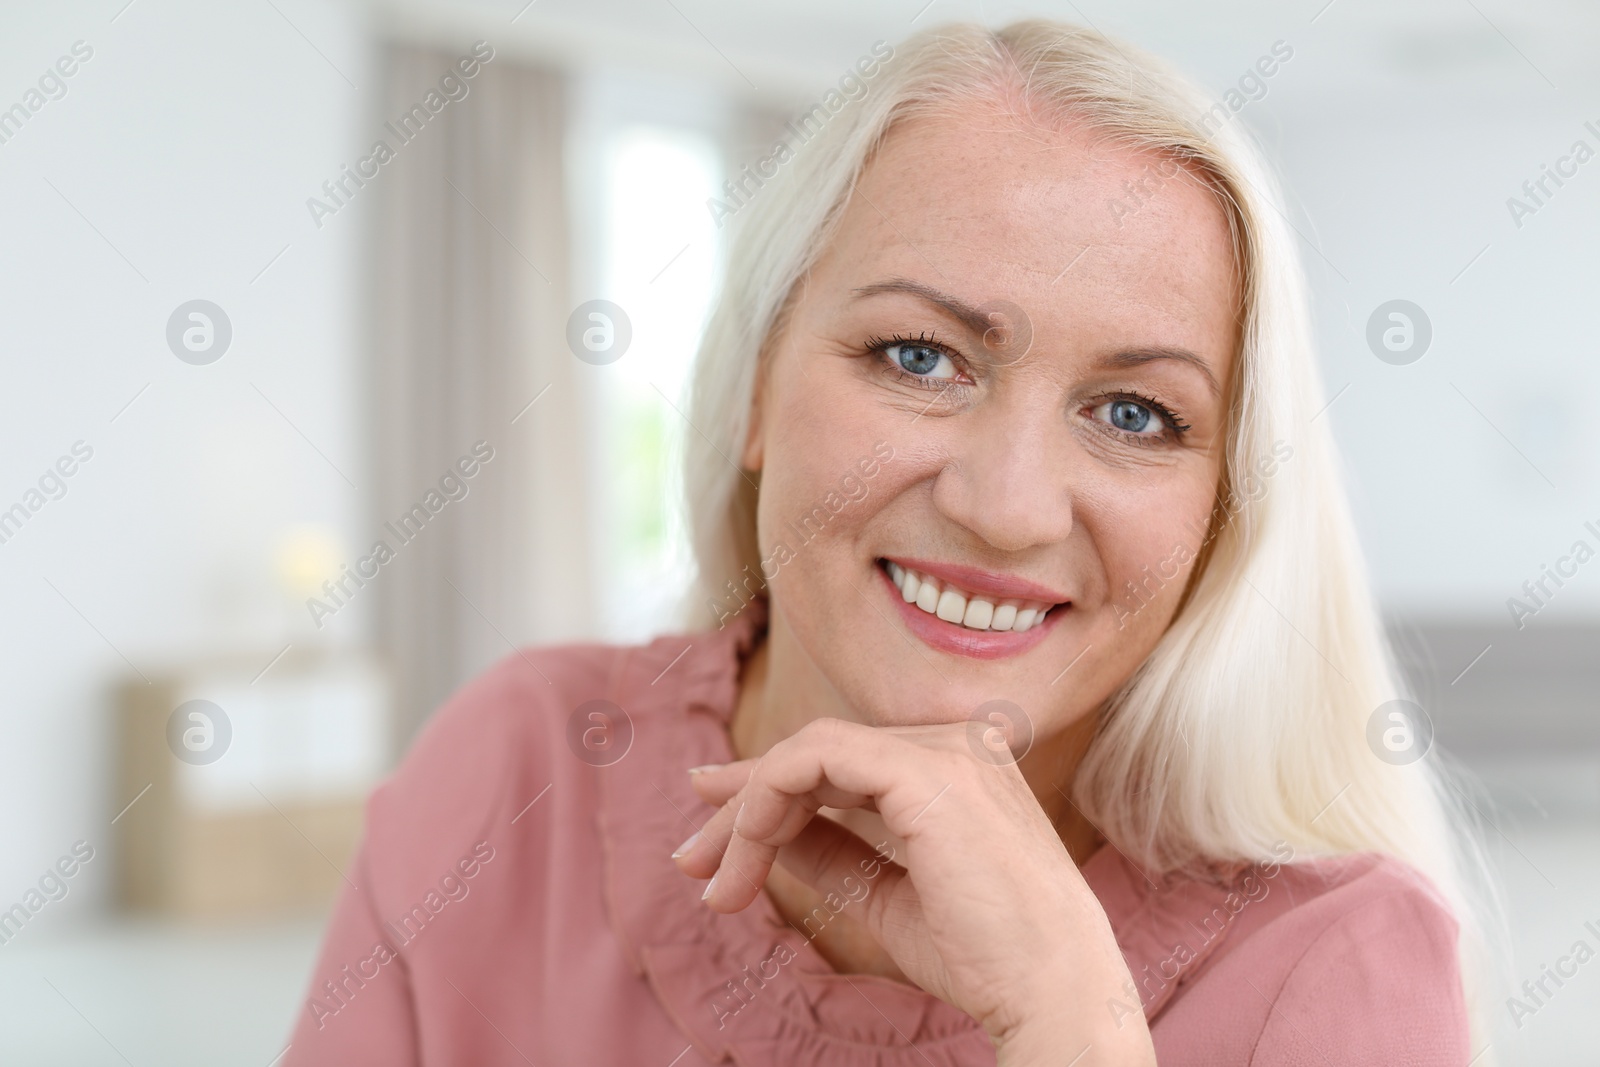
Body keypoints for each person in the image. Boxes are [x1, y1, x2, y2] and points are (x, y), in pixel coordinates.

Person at [284, 19, 1494, 1065]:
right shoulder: (517, 763)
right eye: (918, 356)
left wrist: (1069, 1019)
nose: (1006, 504)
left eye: (1135, 414)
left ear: (1222, 510)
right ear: (756, 389)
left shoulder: (1339, 964)